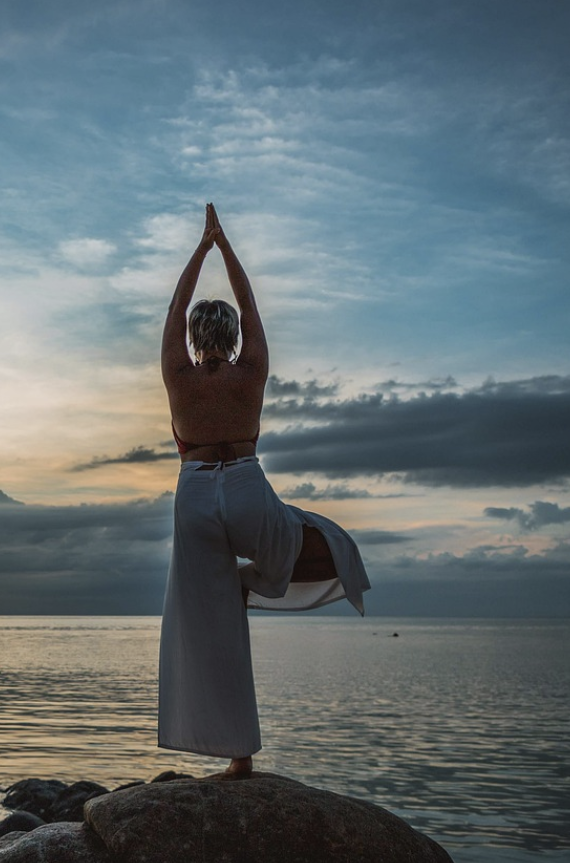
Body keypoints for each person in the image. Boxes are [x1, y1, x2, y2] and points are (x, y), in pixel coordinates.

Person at [158, 203, 370, 777]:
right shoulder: (250, 371)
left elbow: (175, 310)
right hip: (247, 486)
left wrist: (198, 249)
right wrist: (224, 246)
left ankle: (237, 754)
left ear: (196, 338)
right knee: (299, 544)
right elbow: (249, 306)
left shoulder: (177, 376)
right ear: (231, 336)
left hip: (196, 492)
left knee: (209, 620)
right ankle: (260, 583)